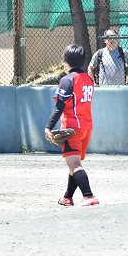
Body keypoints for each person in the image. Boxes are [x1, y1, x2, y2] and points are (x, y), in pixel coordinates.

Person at [45, 44, 99, 207]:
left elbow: (60, 106)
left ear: (66, 61)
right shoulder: (88, 79)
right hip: (86, 127)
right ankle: (67, 197)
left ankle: (89, 196)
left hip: (72, 127)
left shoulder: (67, 79)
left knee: (75, 165)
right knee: (73, 164)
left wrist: (48, 127)